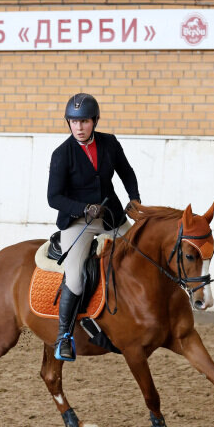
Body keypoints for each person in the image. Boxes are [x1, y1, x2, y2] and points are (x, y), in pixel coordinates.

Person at [47, 93, 141, 362]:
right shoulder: (62, 154)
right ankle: (64, 336)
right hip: (78, 223)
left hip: (111, 216)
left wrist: (134, 198)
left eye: (84, 121)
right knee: (75, 277)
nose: (79, 127)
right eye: (74, 122)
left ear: (95, 121)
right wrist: (83, 208)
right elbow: (53, 198)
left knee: (140, 255)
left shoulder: (109, 143)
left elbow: (126, 172)